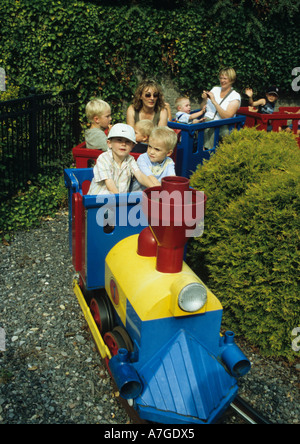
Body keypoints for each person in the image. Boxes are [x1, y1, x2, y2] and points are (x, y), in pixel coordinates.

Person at [87, 123, 153, 195]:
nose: (123, 144)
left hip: (119, 201)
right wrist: (120, 200)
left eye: (127, 141)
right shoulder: (104, 158)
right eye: (119, 140)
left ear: (132, 146)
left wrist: (154, 188)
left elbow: (140, 175)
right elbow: (109, 184)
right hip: (97, 201)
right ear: (109, 143)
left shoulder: (130, 160)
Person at [202, 67, 241, 149]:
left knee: (210, 128)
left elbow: (227, 116)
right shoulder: (215, 89)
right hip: (206, 120)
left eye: (225, 78)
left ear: (231, 80)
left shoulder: (235, 96)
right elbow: (203, 107)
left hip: (221, 124)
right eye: (221, 78)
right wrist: (204, 99)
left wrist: (214, 101)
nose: (222, 81)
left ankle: (207, 152)